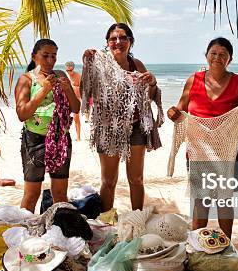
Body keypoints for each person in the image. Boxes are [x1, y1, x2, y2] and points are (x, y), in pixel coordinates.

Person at [167, 37, 238, 239]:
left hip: (226, 152)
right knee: (200, 200)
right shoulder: (193, 79)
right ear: (206, 55)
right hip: (198, 150)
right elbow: (181, 108)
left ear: (230, 59)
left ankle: (227, 243)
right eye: (213, 53)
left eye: (223, 54)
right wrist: (173, 113)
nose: (217, 57)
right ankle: (197, 243)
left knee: (224, 200)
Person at [82, 23, 160, 212]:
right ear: (107, 43)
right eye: (113, 39)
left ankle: (137, 219)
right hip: (108, 129)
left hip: (135, 128)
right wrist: (86, 64)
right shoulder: (98, 63)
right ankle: (107, 219)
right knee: (109, 180)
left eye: (123, 38)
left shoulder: (137, 65)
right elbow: (85, 90)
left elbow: (147, 98)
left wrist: (153, 83)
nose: (118, 42)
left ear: (130, 42)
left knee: (136, 179)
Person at [15, 39, 80, 213]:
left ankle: (59, 229)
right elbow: (22, 114)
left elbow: (76, 108)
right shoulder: (26, 79)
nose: (50, 60)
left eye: (53, 56)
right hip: (34, 140)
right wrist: (43, 91)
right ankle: (24, 234)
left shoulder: (60, 75)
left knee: (59, 193)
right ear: (34, 56)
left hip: (60, 139)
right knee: (31, 194)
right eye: (45, 56)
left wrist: (67, 89)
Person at [64, 61, 82, 141]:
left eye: (70, 70)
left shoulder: (78, 76)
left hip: (76, 99)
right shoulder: (64, 76)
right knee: (64, 118)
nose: (69, 72)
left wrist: (74, 87)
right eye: (67, 71)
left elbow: (82, 89)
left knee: (76, 118)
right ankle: (64, 136)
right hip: (66, 99)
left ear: (73, 69)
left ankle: (78, 137)